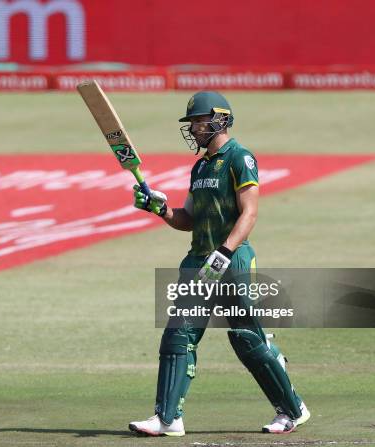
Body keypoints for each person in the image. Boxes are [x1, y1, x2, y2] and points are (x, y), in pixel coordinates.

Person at [128, 92, 310, 437]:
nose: (194, 128)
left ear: (220, 120)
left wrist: (225, 250)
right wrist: (159, 208)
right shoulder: (199, 166)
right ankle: (168, 419)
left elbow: (250, 212)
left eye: (199, 121)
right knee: (178, 335)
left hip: (232, 257)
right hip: (199, 259)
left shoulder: (240, 158)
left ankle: (293, 409)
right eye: (192, 123)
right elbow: (188, 219)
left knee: (246, 338)